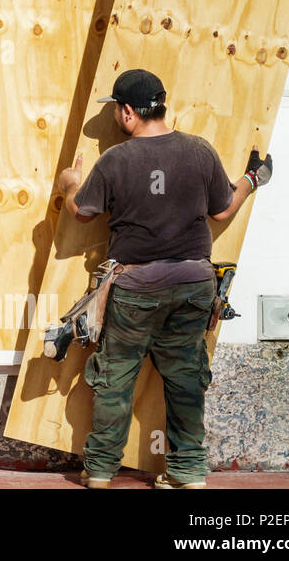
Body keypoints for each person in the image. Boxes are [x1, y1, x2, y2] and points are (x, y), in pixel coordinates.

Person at [54, 68, 273, 489]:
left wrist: (69, 183)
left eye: (118, 110)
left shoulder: (116, 160)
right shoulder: (199, 151)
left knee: (115, 377)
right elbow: (223, 210)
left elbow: (81, 212)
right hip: (194, 286)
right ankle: (188, 473)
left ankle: (100, 471)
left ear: (128, 112)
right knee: (186, 378)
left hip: (136, 289)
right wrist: (251, 179)